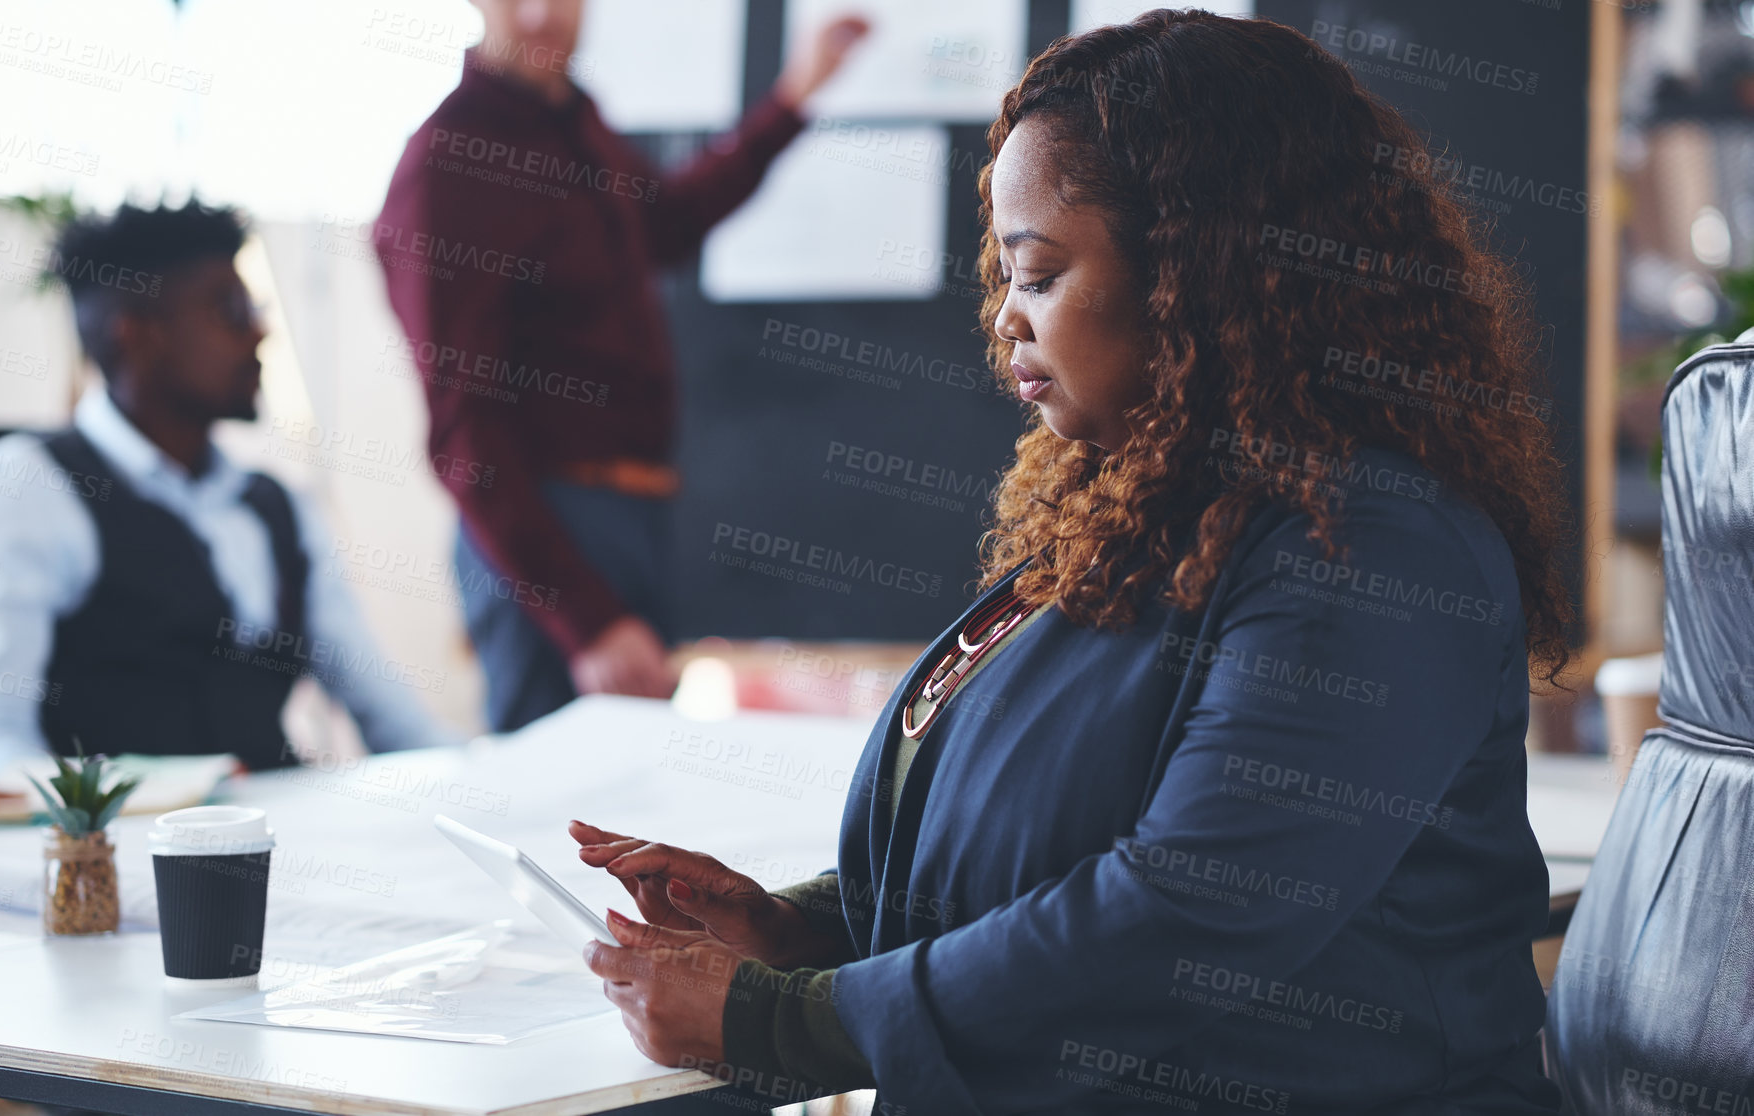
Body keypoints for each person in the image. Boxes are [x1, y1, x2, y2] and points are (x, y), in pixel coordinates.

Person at [567, 11, 1575, 1114]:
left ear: (1195, 274)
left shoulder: (1370, 547)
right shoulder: (1130, 513)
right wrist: (807, 931)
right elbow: (1046, 850)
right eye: (1004, 274)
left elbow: (1186, 910)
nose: (1003, 317)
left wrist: (787, 1019)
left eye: (1039, 275)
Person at [374, 0, 869, 732]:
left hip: (631, 522)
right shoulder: (449, 162)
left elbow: (666, 221)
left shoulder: (576, 122)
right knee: (547, 806)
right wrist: (586, 618)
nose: (542, 16)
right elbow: (460, 432)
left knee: (628, 806)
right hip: (545, 539)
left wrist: (793, 97)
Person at [0, 201, 456, 792]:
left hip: (284, 845)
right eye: (230, 308)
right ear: (137, 334)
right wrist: (128, 802)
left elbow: (381, 705)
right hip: (124, 862)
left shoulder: (273, 502)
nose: (259, 330)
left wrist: (484, 777)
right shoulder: (34, 484)